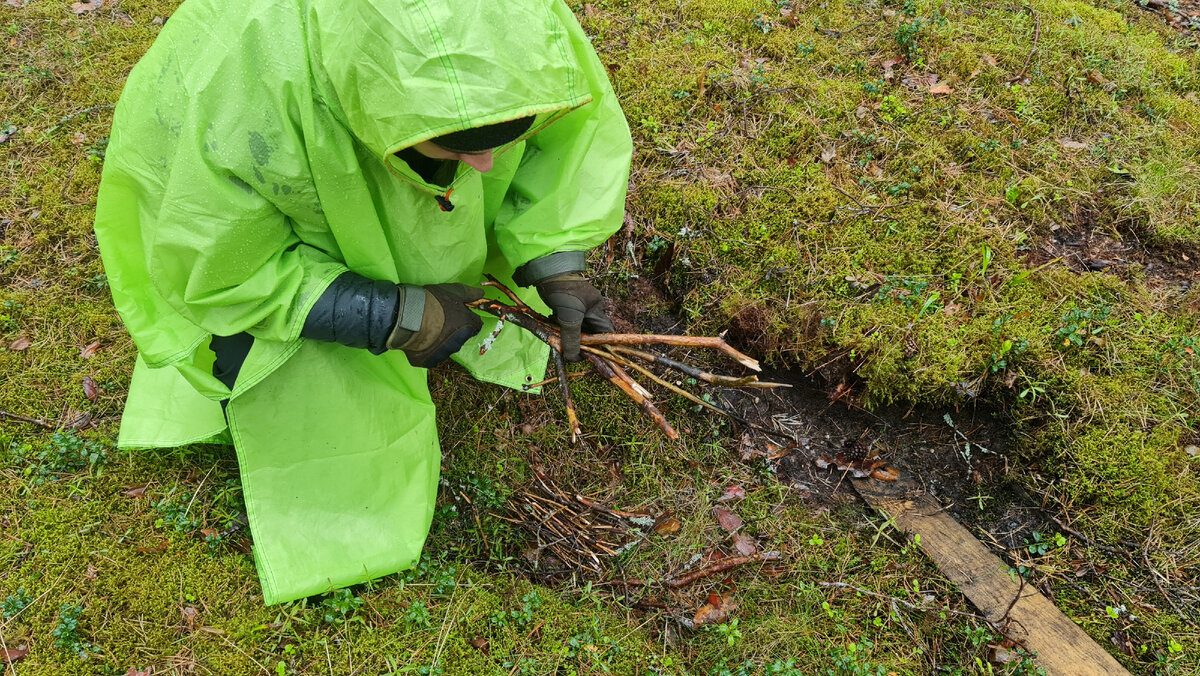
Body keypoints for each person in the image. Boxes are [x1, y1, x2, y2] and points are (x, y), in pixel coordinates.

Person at [93, 0, 631, 604]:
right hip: (250, 245)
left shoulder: (519, 31)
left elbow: (565, 144)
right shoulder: (239, 97)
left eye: (506, 134)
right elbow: (221, 266)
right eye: (460, 146)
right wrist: (388, 316)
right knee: (321, 400)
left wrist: (557, 264)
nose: (486, 164)